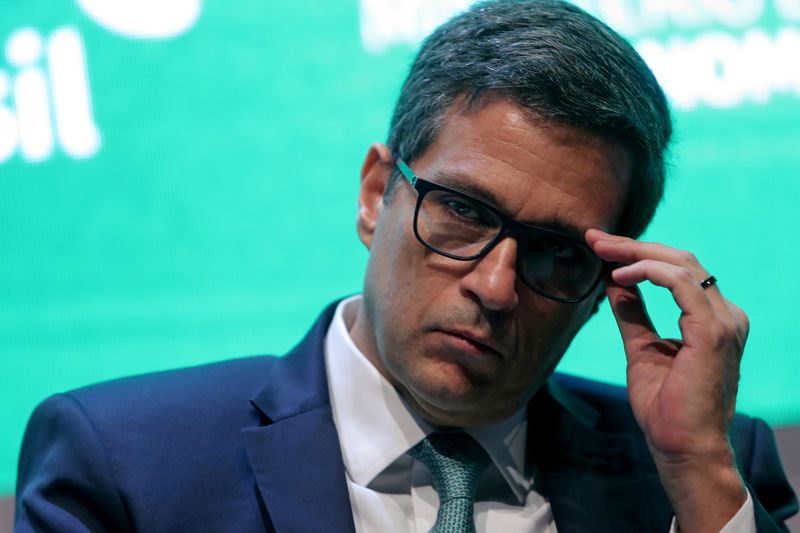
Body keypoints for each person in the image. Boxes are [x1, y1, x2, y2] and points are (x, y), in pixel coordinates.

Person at [14, 1, 797, 532]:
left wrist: (698, 470)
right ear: (373, 195)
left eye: (557, 252)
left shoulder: (706, 467)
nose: (493, 288)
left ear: (604, 290)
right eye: (463, 210)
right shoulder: (125, 466)